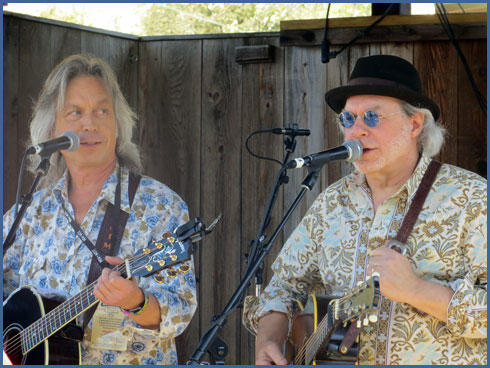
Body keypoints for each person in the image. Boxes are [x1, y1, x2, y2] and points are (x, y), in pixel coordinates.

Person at [243, 55, 487, 365]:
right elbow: (284, 286)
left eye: (371, 117)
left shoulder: (472, 198)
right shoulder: (332, 204)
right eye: (348, 119)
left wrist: (415, 289)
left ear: (414, 124)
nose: (356, 130)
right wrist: (269, 338)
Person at [3, 54, 197, 365]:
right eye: (75, 112)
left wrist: (137, 301)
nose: (90, 123)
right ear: (53, 129)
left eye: (102, 111)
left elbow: (179, 311)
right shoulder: (29, 214)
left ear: (117, 125)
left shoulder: (161, 206)